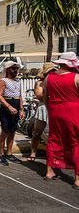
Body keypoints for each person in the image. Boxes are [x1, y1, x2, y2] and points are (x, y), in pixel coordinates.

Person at [43, 52, 79, 189]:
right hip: (73, 111)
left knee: (54, 139)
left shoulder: (49, 77)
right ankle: (77, 179)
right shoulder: (76, 77)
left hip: (54, 111)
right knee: (75, 141)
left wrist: (50, 109)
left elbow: (45, 97)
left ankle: (49, 171)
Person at [0, 61, 24, 166]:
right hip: (7, 106)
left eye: (16, 69)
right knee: (5, 131)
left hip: (16, 105)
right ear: (7, 69)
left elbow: (20, 96)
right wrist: (9, 106)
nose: (15, 70)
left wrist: (21, 109)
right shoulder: (3, 81)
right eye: (13, 68)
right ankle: (1, 154)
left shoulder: (17, 81)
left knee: (12, 131)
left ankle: (9, 153)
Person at [27, 62, 56, 162]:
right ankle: (33, 152)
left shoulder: (56, 81)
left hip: (54, 107)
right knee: (37, 132)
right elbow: (39, 95)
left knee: (54, 133)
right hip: (43, 108)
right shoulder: (39, 83)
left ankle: (54, 154)